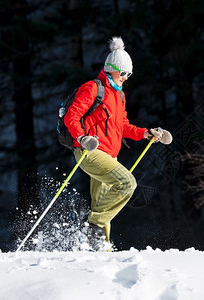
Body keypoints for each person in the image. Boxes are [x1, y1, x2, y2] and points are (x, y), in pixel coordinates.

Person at [64, 36, 166, 250]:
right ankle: (93, 226)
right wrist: (82, 138)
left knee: (102, 205)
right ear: (111, 69)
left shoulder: (119, 96)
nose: (126, 78)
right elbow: (71, 116)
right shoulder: (93, 88)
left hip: (110, 155)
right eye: (123, 73)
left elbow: (123, 127)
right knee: (127, 183)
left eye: (129, 74)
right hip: (90, 151)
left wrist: (146, 133)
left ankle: (101, 248)